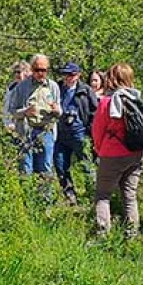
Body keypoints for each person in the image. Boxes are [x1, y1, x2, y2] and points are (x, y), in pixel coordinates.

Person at [91, 63, 143, 238]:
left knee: (103, 195)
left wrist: (99, 150)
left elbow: (97, 130)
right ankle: (132, 234)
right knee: (129, 195)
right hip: (135, 153)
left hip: (112, 154)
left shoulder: (107, 102)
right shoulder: (136, 99)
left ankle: (102, 234)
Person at [8, 54, 61, 184]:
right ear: (32, 69)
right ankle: (27, 200)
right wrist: (25, 112)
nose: (40, 73)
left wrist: (57, 110)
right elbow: (12, 111)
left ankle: (44, 201)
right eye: (37, 70)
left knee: (45, 168)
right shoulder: (22, 87)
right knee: (26, 168)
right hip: (27, 132)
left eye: (43, 70)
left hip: (46, 131)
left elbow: (59, 110)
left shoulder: (53, 86)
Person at [53, 62, 98, 204]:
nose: (68, 78)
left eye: (71, 74)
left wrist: (91, 133)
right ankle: (69, 194)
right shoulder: (57, 88)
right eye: (66, 74)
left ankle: (93, 193)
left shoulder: (85, 90)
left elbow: (94, 112)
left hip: (79, 133)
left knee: (86, 164)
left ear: (78, 75)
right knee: (60, 165)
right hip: (61, 134)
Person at [3, 60, 32, 173]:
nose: (19, 75)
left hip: (27, 129)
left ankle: (28, 186)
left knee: (26, 160)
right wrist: (7, 123)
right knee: (14, 161)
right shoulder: (11, 88)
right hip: (11, 128)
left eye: (23, 72)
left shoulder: (31, 88)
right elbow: (6, 109)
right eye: (17, 72)